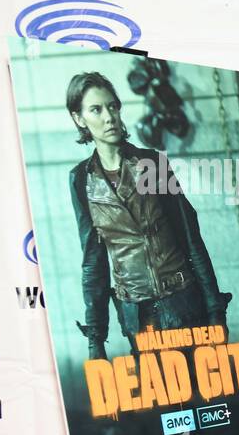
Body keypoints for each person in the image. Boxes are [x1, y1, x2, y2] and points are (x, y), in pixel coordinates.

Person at [67, 72, 230, 360]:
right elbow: (93, 262)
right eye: (96, 109)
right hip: (138, 321)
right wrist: (96, 340)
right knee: (161, 401)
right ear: (79, 119)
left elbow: (190, 237)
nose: (109, 117)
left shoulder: (150, 163)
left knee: (209, 399)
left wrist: (216, 312)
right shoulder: (81, 180)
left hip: (185, 307)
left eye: (113, 107)